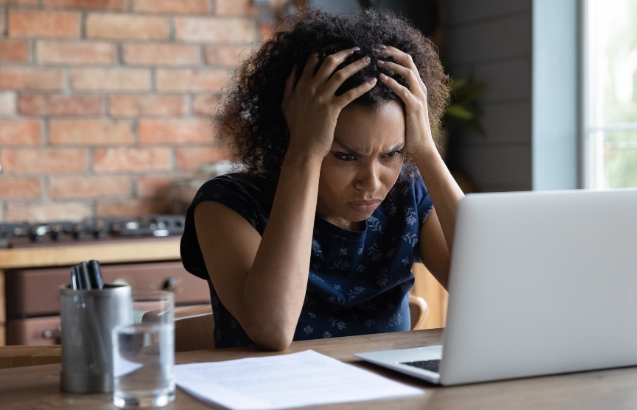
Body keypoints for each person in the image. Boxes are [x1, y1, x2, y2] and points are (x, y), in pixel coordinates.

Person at [180, 8, 464, 350]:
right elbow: (272, 328)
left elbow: (495, 292)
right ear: (295, 135)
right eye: (346, 156)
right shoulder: (228, 205)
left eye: (392, 154)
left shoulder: (408, 196)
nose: (372, 181)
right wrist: (304, 152)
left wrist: (426, 150)